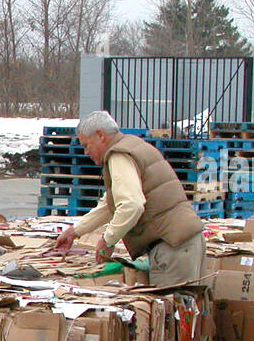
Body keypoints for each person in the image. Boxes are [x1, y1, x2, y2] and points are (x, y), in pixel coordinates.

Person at [53, 111, 206, 286]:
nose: (86, 152)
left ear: (101, 135)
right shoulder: (133, 145)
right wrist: (75, 231)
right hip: (186, 241)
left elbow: (131, 205)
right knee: (189, 307)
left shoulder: (118, 155)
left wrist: (107, 240)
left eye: (86, 145)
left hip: (172, 247)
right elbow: (110, 205)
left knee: (172, 308)